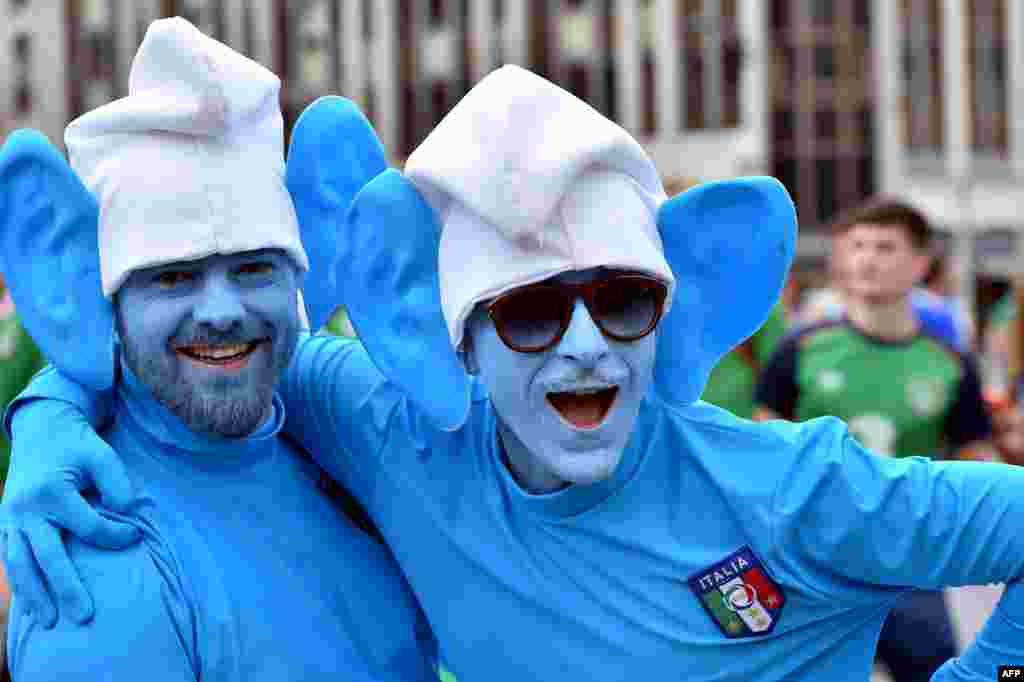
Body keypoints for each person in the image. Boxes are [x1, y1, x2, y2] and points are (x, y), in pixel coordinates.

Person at [2, 64, 1023, 682]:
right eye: (532, 311)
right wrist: (49, 412)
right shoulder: (392, 427)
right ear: (446, 338)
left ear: (670, 314)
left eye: (620, 299)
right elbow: (207, 352)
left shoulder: (792, 485)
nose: (584, 341)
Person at [0, 19, 436, 680]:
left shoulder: (341, 440)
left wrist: (49, 407)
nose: (223, 311)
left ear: (304, 272)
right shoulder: (99, 572)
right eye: (172, 275)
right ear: (101, 298)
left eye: (255, 267)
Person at [753, 197, 995, 682]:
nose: (867, 258)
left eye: (885, 247)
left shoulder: (949, 362)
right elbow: (763, 453)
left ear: (921, 263)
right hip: (814, 565)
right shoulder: (800, 349)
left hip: (908, 568)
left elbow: (974, 457)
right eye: (858, 245)